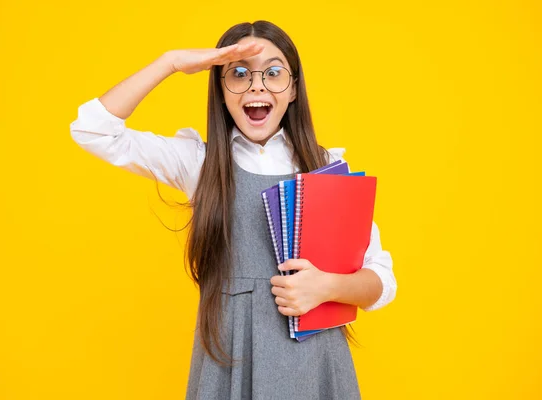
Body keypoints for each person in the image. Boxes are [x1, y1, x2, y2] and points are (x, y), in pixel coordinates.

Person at [70, 20, 397, 400]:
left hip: (316, 363)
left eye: (273, 73)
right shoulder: (200, 163)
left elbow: (382, 281)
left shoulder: (324, 167)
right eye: (238, 74)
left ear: (293, 90)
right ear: (221, 91)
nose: (256, 85)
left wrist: (328, 286)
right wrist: (171, 62)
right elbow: (92, 129)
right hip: (229, 359)